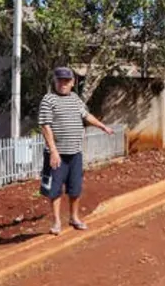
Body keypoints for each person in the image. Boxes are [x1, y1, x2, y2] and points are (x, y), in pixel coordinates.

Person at [38, 67, 113, 235]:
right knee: (55, 189)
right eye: (60, 80)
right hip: (57, 155)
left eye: (66, 81)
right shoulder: (48, 100)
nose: (63, 84)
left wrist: (103, 126)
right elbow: (45, 126)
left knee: (75, 188)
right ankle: (57, 222)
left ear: (72, 82)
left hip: (75, 153)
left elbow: (86, 116)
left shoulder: (75, 99)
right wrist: (54, 151)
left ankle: (74, 218)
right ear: (55, 81)